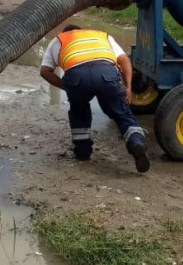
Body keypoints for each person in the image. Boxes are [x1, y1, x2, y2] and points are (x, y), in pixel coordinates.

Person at [40, 24, 151, 173]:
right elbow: (124, 60)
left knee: (79, 111)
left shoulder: (58, 39)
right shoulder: (101, 35)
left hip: (77, 76)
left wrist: (68, 88)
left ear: (66, 33)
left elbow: (45, 71)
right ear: (82, 31)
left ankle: (82, 152)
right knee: (121, 112)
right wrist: (128, 86)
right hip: (106, 73)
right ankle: (136, 142)